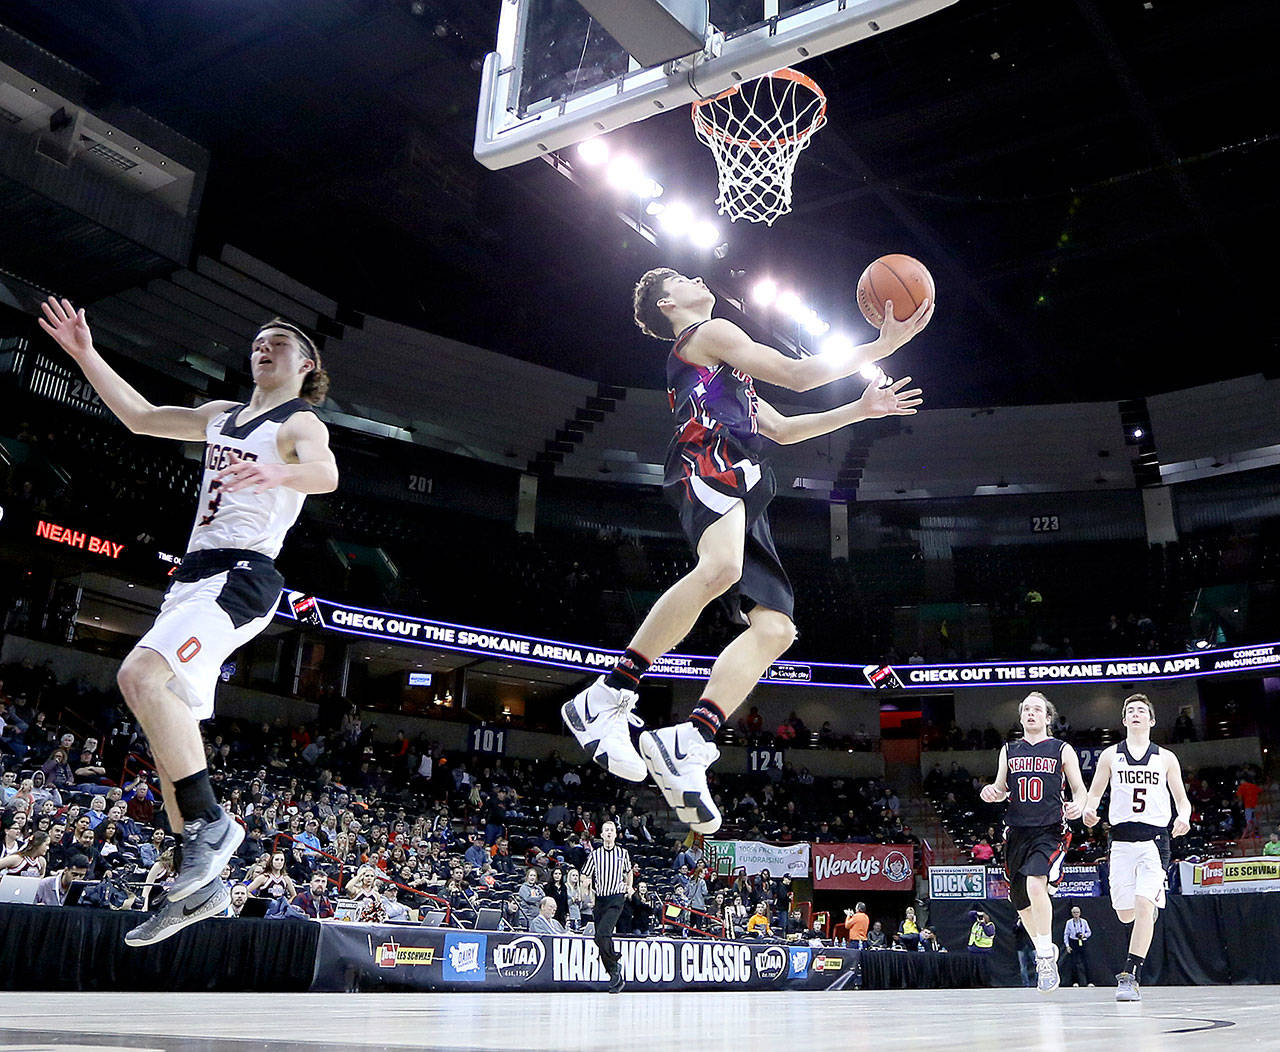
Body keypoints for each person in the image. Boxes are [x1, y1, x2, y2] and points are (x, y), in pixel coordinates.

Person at [562, 270, 930, 834]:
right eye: (682, 276)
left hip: (745, 475)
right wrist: (881, 346)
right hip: (705, 457)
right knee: (720, 568)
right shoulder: (704, 334)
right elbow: (799, 374)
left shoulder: (726, 368)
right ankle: (608, 694)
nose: (696, 277)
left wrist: (860, 410)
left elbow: (782, 429)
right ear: (667, 302)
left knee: (777, 629)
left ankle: (692, 738)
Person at [39, 296, 338, 947]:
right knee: (158, 707)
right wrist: (86, 353)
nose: (264, 348)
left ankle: (212, 826)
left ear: (305, 364)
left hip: (241, 575)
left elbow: (327, 472)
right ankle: (201, 886)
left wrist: (277, 470)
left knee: (141, 675)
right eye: (258, 340)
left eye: (279, 343)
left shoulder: (297, 422)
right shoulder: (220, 417)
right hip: (191, 580)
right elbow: (142, 418)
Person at [1083, 693, 1192, 1003]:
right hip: (1119, 841)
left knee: (1144, 905)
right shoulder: (1109, 756)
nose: (1135, 714)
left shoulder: (1166, 757)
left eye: (1141, 710)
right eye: (1129, 710)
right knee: (1124, 913)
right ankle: (1148, 912)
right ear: (1123, 720)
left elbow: (1182, 800)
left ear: (1151, 720)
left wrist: (1183, 817)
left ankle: (1130, 975)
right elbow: (1094, 795)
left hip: (1155, 841)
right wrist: (1090, 811)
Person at [980, 691, 1087, 993]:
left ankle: (1044, 956)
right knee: (1021, 903)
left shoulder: (1062, 749)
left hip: (1050, 829)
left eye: (1037, 709)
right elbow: (1001, 789)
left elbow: (1080, 790)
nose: (1031, 713)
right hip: (1017, 831)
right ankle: (1045, 948)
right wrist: (992, 791)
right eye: (1026, 709)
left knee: (1035, 883)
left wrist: (1079, 804)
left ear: (1047, 717)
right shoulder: (1009, 750)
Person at [582, 820, 633, 993]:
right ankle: (615, 971)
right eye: (606, 830)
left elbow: (628, 872)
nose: (609, 833)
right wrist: (586, 888)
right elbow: (585, 874)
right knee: (599, 938)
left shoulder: (622, 853)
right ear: (602, 835)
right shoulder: (595, 854)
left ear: (615, 833)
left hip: (616, 898)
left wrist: (629, 887)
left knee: (603, 934)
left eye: (612, 830)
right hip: (600, 900)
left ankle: (614, 965)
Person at [1061, 906, 1093, 988]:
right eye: (1074, 912)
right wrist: (1067, 945)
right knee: (1074, 963)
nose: (1076, 914)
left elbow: (1089, 932)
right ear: (1072, 913)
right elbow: (1066, 934)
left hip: (1083, 941)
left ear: (1080, 913)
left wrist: (1084, 935)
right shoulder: (1069, 922)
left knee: (1087, 962)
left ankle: (1089, 981)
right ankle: (1075, 982)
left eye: (1077, 912)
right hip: (1073, 942)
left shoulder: (1084, 922)